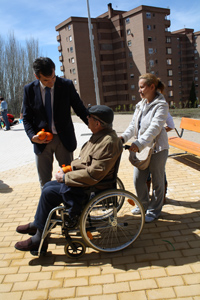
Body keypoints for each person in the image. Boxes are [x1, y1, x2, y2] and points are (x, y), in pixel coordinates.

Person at [15, 105, 123, 253]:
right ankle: (38, 225)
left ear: (98, 123)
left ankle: (39, 237)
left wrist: (66, 177)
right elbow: (83, 161)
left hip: (92, 187)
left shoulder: (108, 142)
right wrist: (69, 168)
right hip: (84, 182)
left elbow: (94, 174)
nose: (87, 119)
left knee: (49, 193)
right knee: (47, 187)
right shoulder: (99, 136)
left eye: (89, 117)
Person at [22, 57, 89, 188]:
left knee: (68, 179)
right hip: (41, 142)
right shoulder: (29, 90)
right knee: (44, 182)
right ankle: (50, 208)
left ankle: (69, 207)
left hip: (64, 139)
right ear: (37, 76)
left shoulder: (66, 85)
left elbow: (80, 109)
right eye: (46, 80)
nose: (51, 82)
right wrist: (32, 137)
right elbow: (26, 118)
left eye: (53, 77)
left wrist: (94, 126)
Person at [120, 73, 169, 223]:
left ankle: (154, 210)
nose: (139, 90)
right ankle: (143, 204)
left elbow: (155, 128)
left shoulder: (161, 105)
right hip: (142, 150)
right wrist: (123, 138)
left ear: (152, 87)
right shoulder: (141, 104)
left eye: (142, 87)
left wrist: (139, 143)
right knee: (138, 180)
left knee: (157, 181)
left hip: (157, 149)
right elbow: (133, 126)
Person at [146, 112, 175, 202]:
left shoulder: (162, 109)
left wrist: (159, 131)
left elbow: (171, 126)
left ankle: (161, 197)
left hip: (159, 147)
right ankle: (155, 196)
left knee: (159, 171)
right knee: (154, 170)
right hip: (146, 146)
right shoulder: (142, 107)